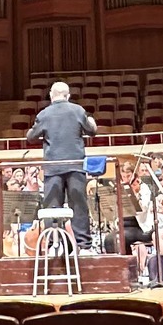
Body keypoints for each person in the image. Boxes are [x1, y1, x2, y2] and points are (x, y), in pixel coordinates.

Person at [26, 81, 99, 248]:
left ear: (51, 95)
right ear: (68, 96)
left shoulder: (44, 114)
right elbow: (92, 131)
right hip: (75, 165)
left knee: (52, 207)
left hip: (53, 167)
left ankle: (53, 244)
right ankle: (84, 245)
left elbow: (31, 137)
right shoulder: (78, 110)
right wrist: (91, 120)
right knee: (79, 205)